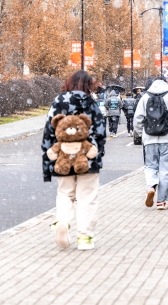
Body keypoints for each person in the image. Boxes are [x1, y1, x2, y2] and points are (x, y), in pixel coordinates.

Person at [42, 70, 106, 251]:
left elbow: (49, 131)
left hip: (62, 156)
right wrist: (97, 152)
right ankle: (84, 237)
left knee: (65, 193)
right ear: (88, 85)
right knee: (87, 197)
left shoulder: (58, 102)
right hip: (87, 158)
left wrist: (49, 158)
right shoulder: (91, 104)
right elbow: (100, 131)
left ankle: (63, 221)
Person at [134, 76, 168, 210]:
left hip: (149, 138)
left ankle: (151, 186)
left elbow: (138, 118)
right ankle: (161, 201)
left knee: (150, 166)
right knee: (166, 170)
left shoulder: (145, 97)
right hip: (167, 138)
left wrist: (141, 134)